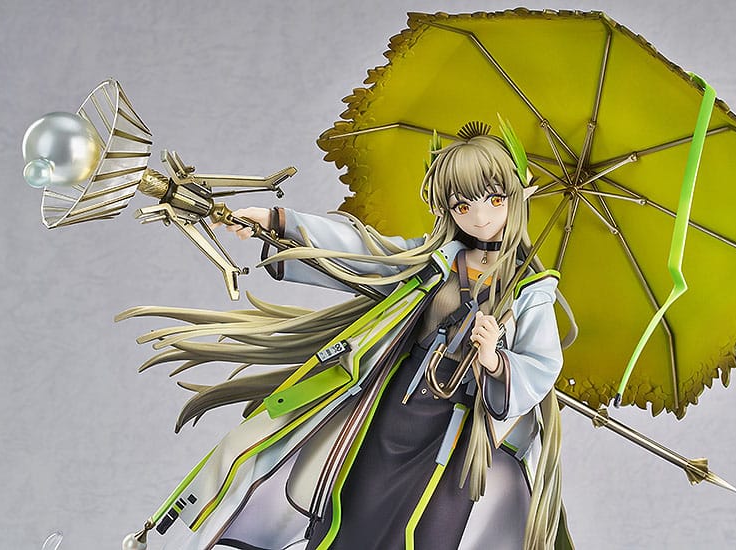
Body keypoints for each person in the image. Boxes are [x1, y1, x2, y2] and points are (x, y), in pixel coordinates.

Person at [125, 123, 575, 550]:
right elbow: (362, 252)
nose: (479, 217)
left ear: (518, 195)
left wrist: (495, 359)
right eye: (463, 205)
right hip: (394, 407)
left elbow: (541, 365)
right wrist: (277, 223)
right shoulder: (434, 261)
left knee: (429, 527)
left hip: (459, 431)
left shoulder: (529, 291)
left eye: (495, 200)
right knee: (352, 508)